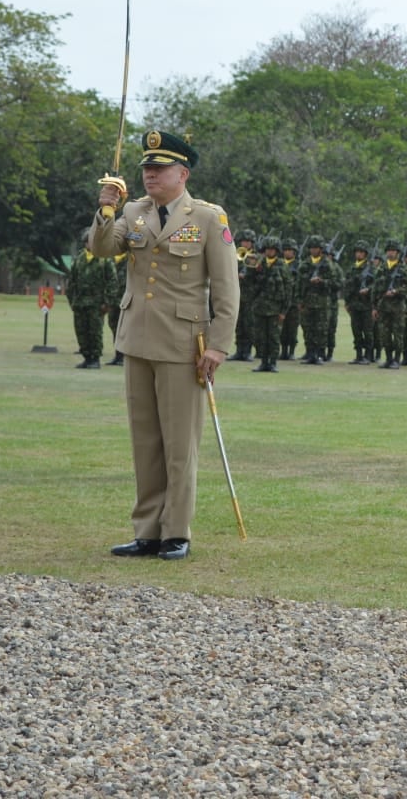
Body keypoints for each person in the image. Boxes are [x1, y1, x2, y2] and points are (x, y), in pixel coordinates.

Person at [92, 129, 239, 562]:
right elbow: (101, 249)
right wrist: (104, 208)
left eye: (159, 169)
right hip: (137, 339)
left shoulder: (208, 218)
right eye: (146, 169)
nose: (149, 175)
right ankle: (147, 532)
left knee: (179, 445)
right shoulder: (133, 210)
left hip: (183, 344)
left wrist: (217, 347)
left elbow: (227, 290)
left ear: (183, 173)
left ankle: (176, 531)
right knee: (146, 444)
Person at [65, 233, 111, 369]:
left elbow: (112, 282)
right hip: (80, 303)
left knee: (95, 332)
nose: (89, 244)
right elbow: (71, 282)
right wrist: (72, 301)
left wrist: (107, 302)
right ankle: (86, 357)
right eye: (88, 242)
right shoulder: (79, 259)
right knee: (81, 331)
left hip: (97, 304)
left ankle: (95, 359)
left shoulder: (104, 260)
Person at [248, 236, 291, 373]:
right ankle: (263, 362)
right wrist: (254, 269)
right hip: (260, 307)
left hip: (275, 309)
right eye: (267, 249)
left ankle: (272, 363)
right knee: (260, 336)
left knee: (273, 337)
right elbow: (250, 282)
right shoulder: (258, 263)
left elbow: (288, 288)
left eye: (272, 249)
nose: (270, 252)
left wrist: (284, 311)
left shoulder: (282, 266)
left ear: (277, 251)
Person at [296, 238, 341, 364]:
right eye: (311, 248)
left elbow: (335, 284)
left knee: (321, 329)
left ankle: (320, 354)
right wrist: (299, 300)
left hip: (322, 302)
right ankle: (310, 353)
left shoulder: (328, 264)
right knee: (308, 328)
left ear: (321, 250)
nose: (313, 250)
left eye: (316, 248)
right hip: (307, 301)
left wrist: (322, 281)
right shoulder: (305, 264)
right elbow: (299, 283)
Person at [373, 241, 407, 369]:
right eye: (388, 250)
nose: (390, 253)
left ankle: (396, 360)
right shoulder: (382, 269)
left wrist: (396, 291)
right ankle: (388, 358)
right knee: (384, 334)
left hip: (397, 307)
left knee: (398, 334)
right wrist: (374, 307)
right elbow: (375, 288)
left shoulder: (404, 269)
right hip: (383, 306)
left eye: (393, 251)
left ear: (398, 253)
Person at [344, 242, 377, 364]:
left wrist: (368, 290)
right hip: (354, 305)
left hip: (366, 305)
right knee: (356, 330)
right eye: (357, 251)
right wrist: (347, 302)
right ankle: (358, 355)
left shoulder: (371, 268)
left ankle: (368, 356)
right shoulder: (352, 268)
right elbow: (347, 286)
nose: (359, 254)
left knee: (367, 331)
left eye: (361, 252)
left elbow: (377, 284)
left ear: (366, 254)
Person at [228, 229, 256, 361]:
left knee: (249, 325)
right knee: (238, 324)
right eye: (244, 241)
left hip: (250, 296)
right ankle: (239, 351)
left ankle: (247, 351)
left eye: (248, 242)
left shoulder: (255, 257)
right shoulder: (235, 255)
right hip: (237, 295)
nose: (246, 243)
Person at [278, 238, 301, 361]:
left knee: (292, 328)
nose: (287, 252)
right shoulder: (280, 264)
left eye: (290, 250)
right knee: (282, 328)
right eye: (285, 250)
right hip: (281, 301)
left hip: (293, 302)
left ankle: (291, 351)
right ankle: (283, 351)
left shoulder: (298, 265)